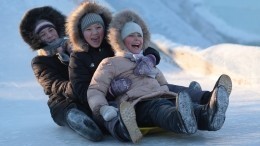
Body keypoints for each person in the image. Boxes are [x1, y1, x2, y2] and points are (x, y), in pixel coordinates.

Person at [87, 9, 232, 143]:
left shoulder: (146, 61)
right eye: (131, 35)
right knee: (160, 108)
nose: (136, 38)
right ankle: (180, 121)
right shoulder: (111, 63)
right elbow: (95, 90)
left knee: (177, 103)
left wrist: (170, 94)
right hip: (138, 104)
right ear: (120, 40)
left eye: (139, 35)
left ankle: (208, 116)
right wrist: (103, 108)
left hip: (159, 95)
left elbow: (163, 83)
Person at [67, 1, 161, 134]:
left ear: (104, 28)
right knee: (110, 111)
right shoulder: (78, 58)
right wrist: (110, 91)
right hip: (101, 101)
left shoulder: (112, 44)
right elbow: (81, 89)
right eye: (88, 29)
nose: (94, 33)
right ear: (81, 34)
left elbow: (144, 47)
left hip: (131, 92)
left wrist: (151, 58)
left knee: (155, 89)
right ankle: (122, 128)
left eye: (98, 27)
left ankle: (193, 104)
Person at [19, 6, 103, 141]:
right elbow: (52, 85)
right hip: (64, 98)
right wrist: (76, 86)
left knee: (96, 103)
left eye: (50, 30)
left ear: (57, 29)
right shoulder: (40, 61)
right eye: (43, 34)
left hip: (87, 91)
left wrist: (73, 53)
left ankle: (100, 119)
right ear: (38, 39)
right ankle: (76, 119)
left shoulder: (77, 47)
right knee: (61, 106)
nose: (49, 35)